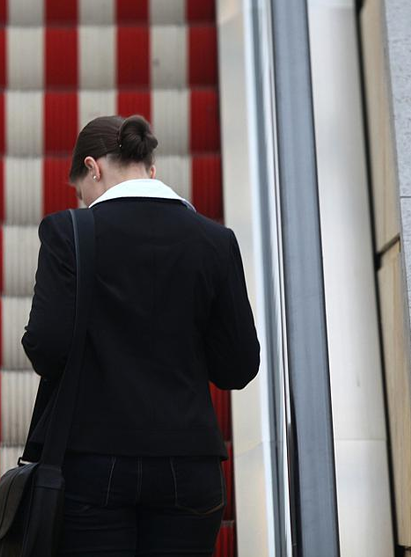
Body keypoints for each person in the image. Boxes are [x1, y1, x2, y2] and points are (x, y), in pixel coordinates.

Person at [20, 114, 261, 556]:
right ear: (150, 168)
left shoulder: (69, 233)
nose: (83, 201)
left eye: (81, 191)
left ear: (92, 168)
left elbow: (47, 348)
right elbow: (238, 367)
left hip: (93, 461)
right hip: (189, 464)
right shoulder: (215, 240)